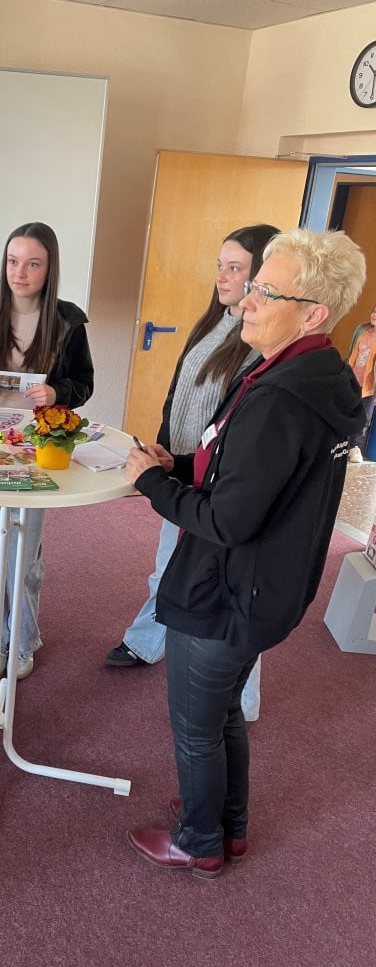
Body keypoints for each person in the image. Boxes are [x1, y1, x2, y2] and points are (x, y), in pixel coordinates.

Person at [123, 227, 366, 879]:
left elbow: (226, 519)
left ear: (312, 314)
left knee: (196, 726)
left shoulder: (281, 397)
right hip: (265, 587)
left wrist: (150, 483)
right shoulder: (308, 374)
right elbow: (240, 471)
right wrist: (175, 465)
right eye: (253, 284)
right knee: (224, 710)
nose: (247, 301)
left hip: (228, 593)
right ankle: (228, 824)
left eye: (267, 291)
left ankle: (198, 841)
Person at [105, 224, 280, 721]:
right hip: (185, 471)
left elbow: (238, 424)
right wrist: (167, 449)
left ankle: (242, 700)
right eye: (220, 266)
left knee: (231, 592)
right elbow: (178, 392)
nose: (222, 276)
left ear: (261, 277)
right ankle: (148, 642)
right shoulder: (215, 322)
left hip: (220, 485)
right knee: (168, 568)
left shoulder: (259, 340)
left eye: (235, 268)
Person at [0, 222, 94, 679]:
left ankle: (22, 638)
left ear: (49, 269)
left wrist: (58, 393)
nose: (20, 272)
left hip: (36, 445)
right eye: (13, 262)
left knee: (24, 552)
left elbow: (84, 383)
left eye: (33, 264)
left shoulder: (68, 322)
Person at [345, 304, 376, 463]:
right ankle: (341, 442)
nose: (374, 315)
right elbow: (351, 353)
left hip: (369, 386)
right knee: (346, 409)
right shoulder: (362, 331)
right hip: (352, 379)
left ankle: (354, 446)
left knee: (364, 416)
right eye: (374, 311)